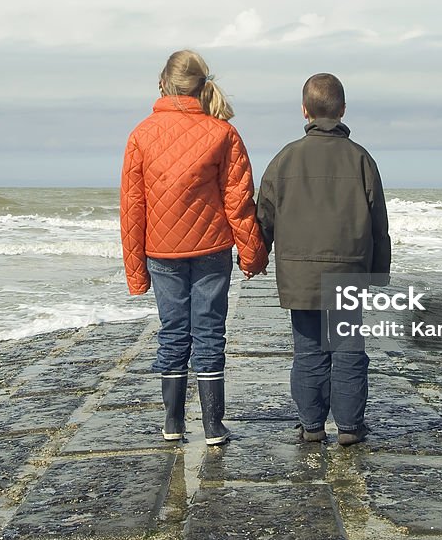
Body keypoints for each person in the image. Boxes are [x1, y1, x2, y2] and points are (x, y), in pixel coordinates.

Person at [121, 49, 268, 446]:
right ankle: (213, 425)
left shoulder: (141, 134)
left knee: (173, 331)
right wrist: (252, 254)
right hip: (212, 249)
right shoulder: (223, 133)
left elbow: (133, 209)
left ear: (162, 84)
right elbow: (238, 201)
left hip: (162, 251)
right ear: (202, 86)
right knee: (209, 333)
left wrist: (136, 274)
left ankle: (172, 422)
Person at [256, 73, 391, 446]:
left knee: (308, 350)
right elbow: (379, 223)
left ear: (305, 110)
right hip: (349, 268)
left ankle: (312, 425)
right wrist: (378, 275)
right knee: (348, 348)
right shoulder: (361, 158)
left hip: (300, 271)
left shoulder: (285, 158)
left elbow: (263, 214)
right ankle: (349, 427)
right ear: (343, 109)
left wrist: (256, 255)